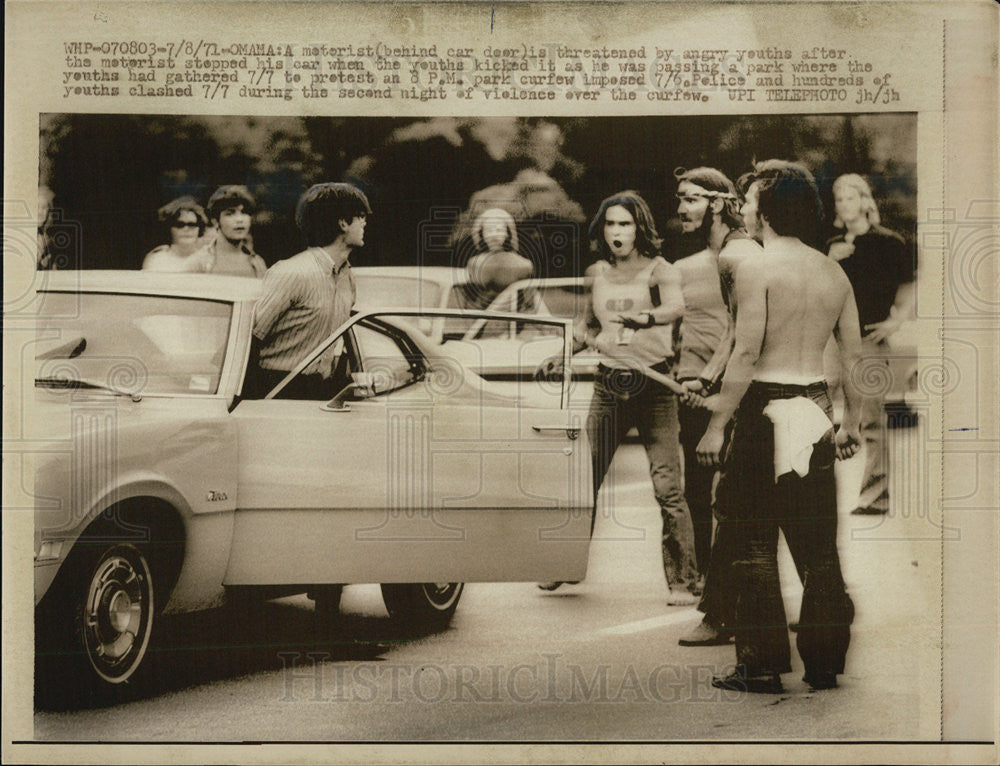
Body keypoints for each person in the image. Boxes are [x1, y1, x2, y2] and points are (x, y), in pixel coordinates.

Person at [696, 161, 861, 694]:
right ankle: (825, 662)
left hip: (762, 407)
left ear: (765, 209)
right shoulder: (833, 272)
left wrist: (717, 424)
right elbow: (854, 360)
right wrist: (849, 420)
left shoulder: (757, 268)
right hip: (814, 409)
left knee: (751, 538)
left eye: (747, 202)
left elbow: (745, 352)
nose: (740, 209)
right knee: (818, 545)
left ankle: (761, 664)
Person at [539, 190, 699, 605]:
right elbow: (587, 325)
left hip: (656, 386)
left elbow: (677, 307)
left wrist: (646, 317)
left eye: (625, 223)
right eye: (610, 224)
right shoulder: (597, 272)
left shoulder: (661, 270)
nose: (617, 231)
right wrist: (561, 354)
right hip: (610, 385)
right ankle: (563, 566)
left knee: (667, 487)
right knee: (582, 479)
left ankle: (683, 580)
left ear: (639, 228)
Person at [669, 167, 763, 647]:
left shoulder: (736, 255)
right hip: (742, 387)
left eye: (690, 199)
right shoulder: (733, 252)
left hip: (759, 393)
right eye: (679, 199)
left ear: (719, 203)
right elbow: (734, 331)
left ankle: (722, 616)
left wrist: (717, 408)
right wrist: (704, 380)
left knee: (736, 504)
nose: (681, 208)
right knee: (750, 505)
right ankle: (817, 608)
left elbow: (746, 340)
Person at [827, 173, 915, 515]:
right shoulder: (831, 244)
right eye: (838, 199)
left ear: (865, 201)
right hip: (833, 342)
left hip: (870, 338)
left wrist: (897, 320)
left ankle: (875, 496)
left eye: (850, 197)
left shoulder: (889, 242)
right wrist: (833, 260)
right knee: (820, 413)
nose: (844, 205)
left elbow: (907, 286)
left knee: (873, 420)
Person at [250, 182, 371, 399]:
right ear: (343, 223)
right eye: (360, 215)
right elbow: (251, 336)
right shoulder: (293, 272)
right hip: (277, 387)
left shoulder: (347, 276)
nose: (365, 222)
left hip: (322, 388)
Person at [185, 185, 267, 277]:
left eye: (244, 212)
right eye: (230, 214)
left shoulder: (257, 263)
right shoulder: (198, 263)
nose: (240, 219)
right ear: (215, 221)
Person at [465, 207, 534, 307]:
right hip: (482, 320)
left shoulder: (525, 266)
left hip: (513, 319)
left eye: (499, 230)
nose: (494, 235)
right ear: (481, 234)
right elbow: (470, 303)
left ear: (508, 234)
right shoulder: (474, 264)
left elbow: (529, 303)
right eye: (489, 230)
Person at [141, 196, 211, 272]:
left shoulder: (209, 258)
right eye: (179, 225)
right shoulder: (156, 259)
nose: (186, 229)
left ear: (199, 228)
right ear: (169, 228)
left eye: (192, 225)